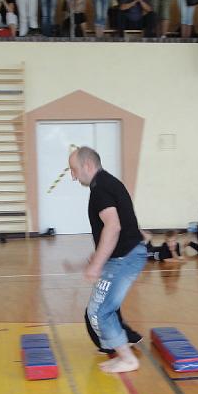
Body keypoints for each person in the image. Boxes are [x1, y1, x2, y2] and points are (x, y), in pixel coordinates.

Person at [69, 146, 146, 373]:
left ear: (88, 165)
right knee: (97, 309)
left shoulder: (101, 188)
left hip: (126, 258)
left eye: (74, 170)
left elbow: (113, 227)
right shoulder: (105, 183)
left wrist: (96, 265)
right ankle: (121, 353)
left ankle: (128, 359)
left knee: (102, 311)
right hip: (123, 256)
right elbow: (116, 227)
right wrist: (98, 257)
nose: (73, 176)